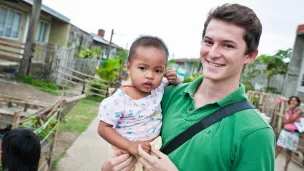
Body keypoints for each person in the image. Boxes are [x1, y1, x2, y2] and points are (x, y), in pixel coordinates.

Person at [102, 3, 276, 171]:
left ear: (250, 55)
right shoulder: (167, 94)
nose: (213, 53)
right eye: (208, 42)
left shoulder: (256, 132)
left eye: (228, 45)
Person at [97, 36, 181, 170]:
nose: (150, 75)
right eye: (142, 68)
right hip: (126, 153)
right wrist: (129, 146)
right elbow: (103, 128)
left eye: (158, 70)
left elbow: (175, 82)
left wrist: (176, 79)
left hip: (152, 150)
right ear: (129, 67)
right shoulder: (119, 100)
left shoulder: (158, 88)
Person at [275, 96, 302, 171]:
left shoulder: (299, 111)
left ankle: (285, 167)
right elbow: (285, 121)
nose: (293, 102)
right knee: (278, 148)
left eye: (295, 100)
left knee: (289, 151)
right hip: (285, 131)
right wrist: (291, 119)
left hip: (293, 134)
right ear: (289, 101)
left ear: (298, 102)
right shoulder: (287, 110)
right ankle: (271, 162)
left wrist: (291, 110)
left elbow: (290, 120)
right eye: (292, 100)